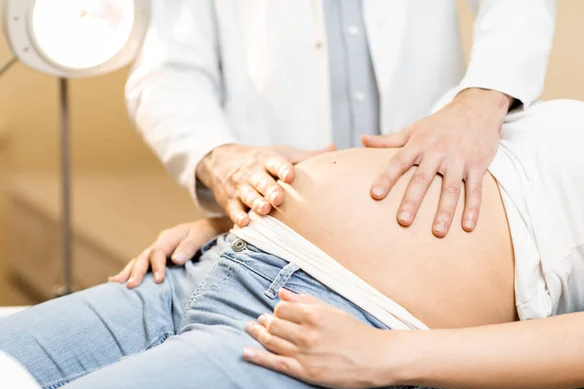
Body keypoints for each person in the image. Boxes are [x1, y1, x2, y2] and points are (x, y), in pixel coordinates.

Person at [1, 99, 584, 389]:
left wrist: (383, 357)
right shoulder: (564, 112)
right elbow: (408, 178)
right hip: (213, 261)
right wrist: (222, 219)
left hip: (319, 331)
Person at [126, 0, 556, 238]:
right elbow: (167, 71)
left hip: (427, 219)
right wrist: (220, 159)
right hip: (277, 225)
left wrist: (480, 102)